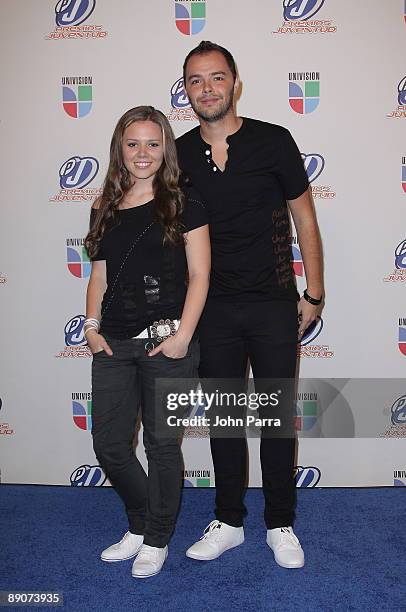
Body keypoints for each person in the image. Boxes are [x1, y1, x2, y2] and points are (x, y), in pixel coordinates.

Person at [176, 42, 324, 568]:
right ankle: (230, 520)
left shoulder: (273, 140)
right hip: (212, 308)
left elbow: (305, 219)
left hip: (272, 303)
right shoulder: (179, 152)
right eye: (196, 80)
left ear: (235, 84)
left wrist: (315, 292)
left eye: (217, 78)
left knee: (276, 418)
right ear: (186, 89)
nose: (207, 88)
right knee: (224, 419)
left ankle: (281, 523)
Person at [84, 106, 210, 578]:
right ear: (120, 147)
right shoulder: (103, 206)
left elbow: (200, 275)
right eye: (133, 143)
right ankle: (140, 523)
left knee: (162, 447)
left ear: (166, 149)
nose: (142, 153)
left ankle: (156, 538)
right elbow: (99, 276)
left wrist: (182, 337)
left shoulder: (184, 202)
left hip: (167, 347)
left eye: (153, 144)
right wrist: (92, 328)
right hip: (113, 346)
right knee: (110, 447)